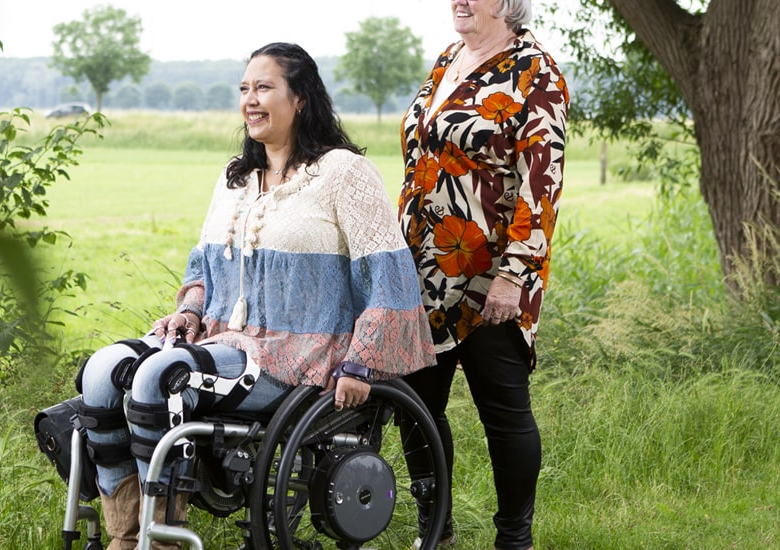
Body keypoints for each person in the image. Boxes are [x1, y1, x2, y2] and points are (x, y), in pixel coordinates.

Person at [74, 42, 434, 550]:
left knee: (161, 376)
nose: (251, 99)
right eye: (245, 88)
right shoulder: (235, 179)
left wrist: (361, 363)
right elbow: (203, 268)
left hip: (298, 357)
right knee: (103, 370)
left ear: (301, 98)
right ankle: (125, 535)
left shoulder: (343, 174)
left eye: (264, 87)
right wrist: (189, 310)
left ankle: (161, 540)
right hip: (224, 340)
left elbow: (391, 279)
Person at [397, 0, 568, 549]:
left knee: (504, 410)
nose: (460, 1)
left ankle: (514, 538)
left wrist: (514, 275)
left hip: (490, 275)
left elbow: (542, 183)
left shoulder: (535, 72)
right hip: (421, 270)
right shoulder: (448, 58)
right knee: (417, 409)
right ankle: (436, 531)